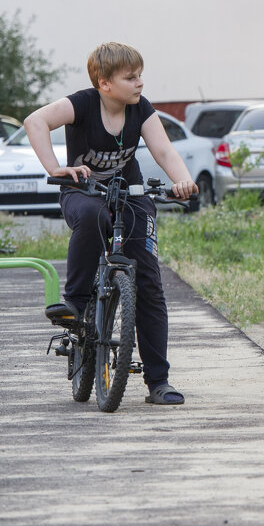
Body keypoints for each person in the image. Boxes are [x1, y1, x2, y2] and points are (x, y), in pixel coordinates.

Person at [25, 42, 197, 406]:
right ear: (104, 83)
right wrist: (55, 168)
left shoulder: (141, 109)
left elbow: (164, 151)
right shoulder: (83, 103)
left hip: (129, 193)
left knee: (149, 282)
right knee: (91, 216)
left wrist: (182, 179)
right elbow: (35, 121)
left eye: (140, 76)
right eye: (130, 78)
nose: (140, 84)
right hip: (83, 193)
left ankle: (159, 382)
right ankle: (75, 301)